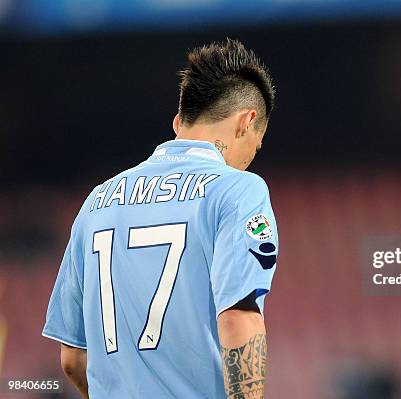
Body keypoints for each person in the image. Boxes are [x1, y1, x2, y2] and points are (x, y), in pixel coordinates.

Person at [42, 38, 277, 399]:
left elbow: (73, 356)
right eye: (255, 148)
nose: (250, 159)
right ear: (247, 122)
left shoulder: (95, 203)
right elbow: (239, 317)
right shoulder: (238, 190)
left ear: (178, 122)